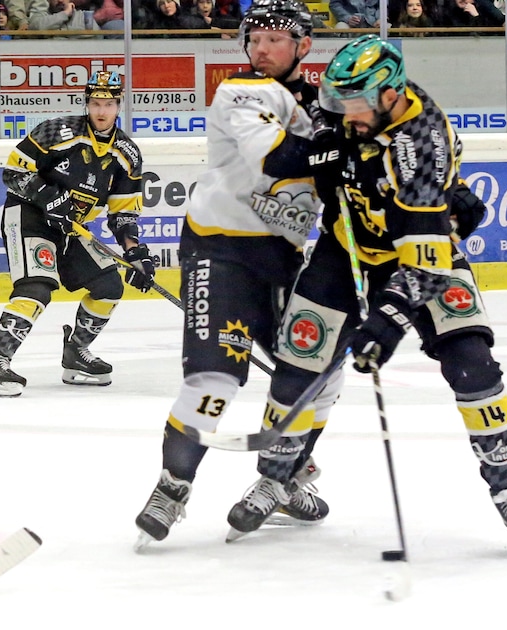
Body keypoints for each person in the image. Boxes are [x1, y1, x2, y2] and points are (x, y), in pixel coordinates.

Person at [240, 34, 507, 555]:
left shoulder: (421, 147)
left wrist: (384, 325)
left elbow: (425, 266)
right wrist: (322, 142)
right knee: (299, 361)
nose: (346, 114)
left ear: (389, 95)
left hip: (420, 252)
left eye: (354, 105)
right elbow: (307, 110)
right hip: (347, 248)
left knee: (471, 361)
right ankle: (279, 478)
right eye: (341, 103)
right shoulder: (354, 106)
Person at [133, 0, 338, 549]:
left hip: (283, 258)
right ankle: (172, 489)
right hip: (220, 251)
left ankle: (284, 477)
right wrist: (338, 148)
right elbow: (275, 157)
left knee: (321, 372)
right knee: (214, 382)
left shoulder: (326, 103)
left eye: (275, 39)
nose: (261, 49)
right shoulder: (241, 91)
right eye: (254, 39)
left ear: (303, 46)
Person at [0, 70, 150, 398]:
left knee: (109, 286)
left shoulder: (128, 154)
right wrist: (48, 195)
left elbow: (123, 214)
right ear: (86, 103)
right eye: (95, 103)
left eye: (109, 104)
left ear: (119, 105)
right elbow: (13, 173)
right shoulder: (56, 131)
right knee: (37, 288)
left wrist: (134, 252)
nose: (101, 111)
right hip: (28, 216)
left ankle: (76, 353)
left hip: (69, 227)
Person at [29, 0, 101, 35]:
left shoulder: (81, 16)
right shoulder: (42, 16)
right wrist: (65, 13)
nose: (60, 0)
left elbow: (97, 37)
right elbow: (35, 28)